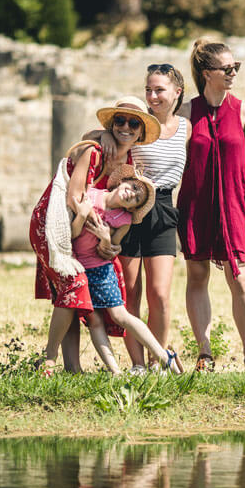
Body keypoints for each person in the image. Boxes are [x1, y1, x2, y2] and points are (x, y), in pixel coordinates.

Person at [30, 97, 161, 375]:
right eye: (119, 121)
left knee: (77, 297)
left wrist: (108, 242)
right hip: (55, 224)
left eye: (133, 123)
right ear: (111, 124)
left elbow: (110, 217)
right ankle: (50, 361)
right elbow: (75, 196)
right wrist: (101, 232)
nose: (125, 127)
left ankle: (72, 370)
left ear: (140, 133)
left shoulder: (127, 161)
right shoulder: (96, 149)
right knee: (74, 285)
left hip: (81, 231)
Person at [93, 64, 190, 372]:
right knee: (130, 293)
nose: (152, 96)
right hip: (129, 208)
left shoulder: (187, 128)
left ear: (177, 91)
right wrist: (100, 135)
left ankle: (158, 360)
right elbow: (97, 134)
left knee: (160, 294)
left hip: (162, 207)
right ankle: (137, 365)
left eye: (159, 89)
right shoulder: (136, 126)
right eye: (148, 89)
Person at [177, 38, 245, 373]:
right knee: (196, 275)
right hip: (195, 206)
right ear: (205, 72)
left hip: (235, 207)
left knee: (239, 278)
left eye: (235, 67)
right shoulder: (186, 113)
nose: (233, 73)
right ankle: (204, 352)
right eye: (227, 69)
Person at [71, 165, 182, 375]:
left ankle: (162, 355)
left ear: (132, 208)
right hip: (79, 268)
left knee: (120, 315)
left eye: (137, 198)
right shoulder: (91, 194)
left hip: (101, 270)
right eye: (133, 187)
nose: (132, 193)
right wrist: (82, 214)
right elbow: (73, 233)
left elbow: (110, 251)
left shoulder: (124, 220)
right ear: (122, 182)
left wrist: (105, 237)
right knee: (93, 320)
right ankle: (115, 372)